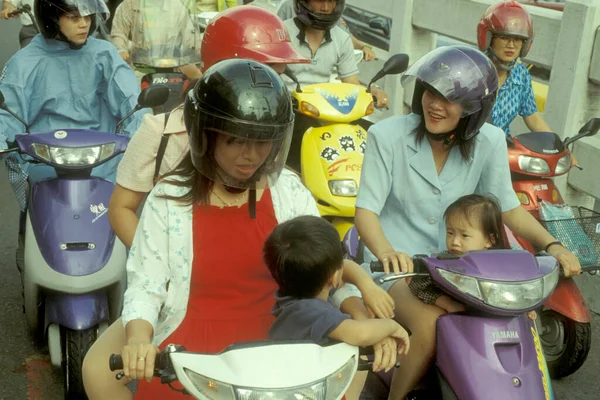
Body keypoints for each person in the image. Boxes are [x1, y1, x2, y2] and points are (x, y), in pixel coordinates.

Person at [83, 59, 389, 400]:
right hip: (193, 347)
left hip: (284, 336)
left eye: (263, 142)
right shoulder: (168, 199)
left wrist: (358, 311)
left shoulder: (288, 190)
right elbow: (147, 285)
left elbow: (325, 267)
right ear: (207, 137)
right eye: (235, 141)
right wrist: (140, 339)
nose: (252, 156)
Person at [353, 45, 581, 398]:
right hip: (401, 268)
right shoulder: (387, 136)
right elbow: (366, 211)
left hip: (462, 268)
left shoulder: (489, 141)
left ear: (474, 109)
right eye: (430, 92)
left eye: (449, 99)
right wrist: (387, 252)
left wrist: (551, 245)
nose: (434, 104)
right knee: (430, 324)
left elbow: (509, 209)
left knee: (514, 319)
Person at [108, 5, 311, 249]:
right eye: (266, 76)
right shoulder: (161, 133)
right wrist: (158, 266)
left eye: (279, 77)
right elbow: (121, 208)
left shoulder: (276, 147)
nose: (274, 89)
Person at [0, 0, 142, 213]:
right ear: (52, 20)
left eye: (87, 17)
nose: (84, 24)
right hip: (45, 163)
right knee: (35, 219)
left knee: (128, 229)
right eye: (74, 18)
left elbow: (131, 99)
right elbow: (8, 111)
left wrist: (145, 133)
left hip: (102, 162)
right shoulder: (24, 62)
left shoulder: (104, 54)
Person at [266, 215, 410, 399]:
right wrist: (392, 326)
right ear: (334, 278)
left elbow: (346, 266)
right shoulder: (312, 311)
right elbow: (359, 334)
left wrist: (367, 287)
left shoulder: (295, 292)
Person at [408, 194, 537, 320]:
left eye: (464, 235)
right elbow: (418, 284)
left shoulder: (502, 264)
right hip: (459, 323)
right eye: (450, 233)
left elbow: (515, 287)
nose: (455, 241)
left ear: (489, 239)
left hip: (496, 324)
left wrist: (523, 306)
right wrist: (447, 303)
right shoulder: (444, 261)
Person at [477, 0, 551, 136]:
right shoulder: (474, 70)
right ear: (489, 38)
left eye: (518, 39)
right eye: (504, 37)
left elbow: (533, 117)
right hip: (467, 146)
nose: (511, 45)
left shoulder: (521, 75)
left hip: (501, 149)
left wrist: (561, 148)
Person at [110, 0, 203, 79]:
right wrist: (121, 50)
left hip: (172, 64)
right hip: (139, 67)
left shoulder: (177, 6)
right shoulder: (128, 5)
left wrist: (197, 54)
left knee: (196, 81)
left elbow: (191, 37)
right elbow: (118, 34)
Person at [276, 0, 377, 61]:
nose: (325, 7)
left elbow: (344, 35)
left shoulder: (329, 13)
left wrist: (363, 47)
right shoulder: (288, 7)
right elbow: (276, 38)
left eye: (329, 1)